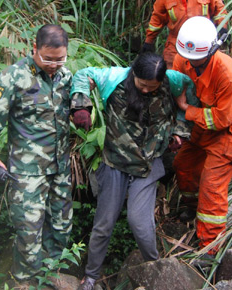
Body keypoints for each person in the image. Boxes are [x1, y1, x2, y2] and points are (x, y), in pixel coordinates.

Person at [71, 53, 197, 290]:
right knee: (104, 223)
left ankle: (155, 268)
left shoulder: (173, 80)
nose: (147, 90)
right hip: (115, 163)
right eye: (142, 85)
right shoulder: (114, 78)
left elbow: (189, 93)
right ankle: (91, 276)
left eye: (153, 86)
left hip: (148, 165)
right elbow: (83, 74)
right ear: (134, 74)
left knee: (140, 222)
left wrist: (180, 131)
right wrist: (82, 107)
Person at [0, 24, 73, 284]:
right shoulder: (14, 76)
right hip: (27, 171)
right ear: (34, 49)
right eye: (48, 59)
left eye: (60, 59)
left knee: (61, 227)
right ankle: (25, 282)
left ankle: (52, 277)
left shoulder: (66, 76)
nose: (54, 64)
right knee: (28, 233)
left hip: (60, 167)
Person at [171, 16, 232, 256]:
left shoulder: (227, 74)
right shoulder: (183, 58)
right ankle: (191, 206)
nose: (191, 63)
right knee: (183, 165)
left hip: (230, 131)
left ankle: (209, 249)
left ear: (212, 50)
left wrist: (188, 111)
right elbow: (177, 91)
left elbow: (221, 119)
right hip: (200, 124)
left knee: (212, 188)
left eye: (197, 59)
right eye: (188, 58)